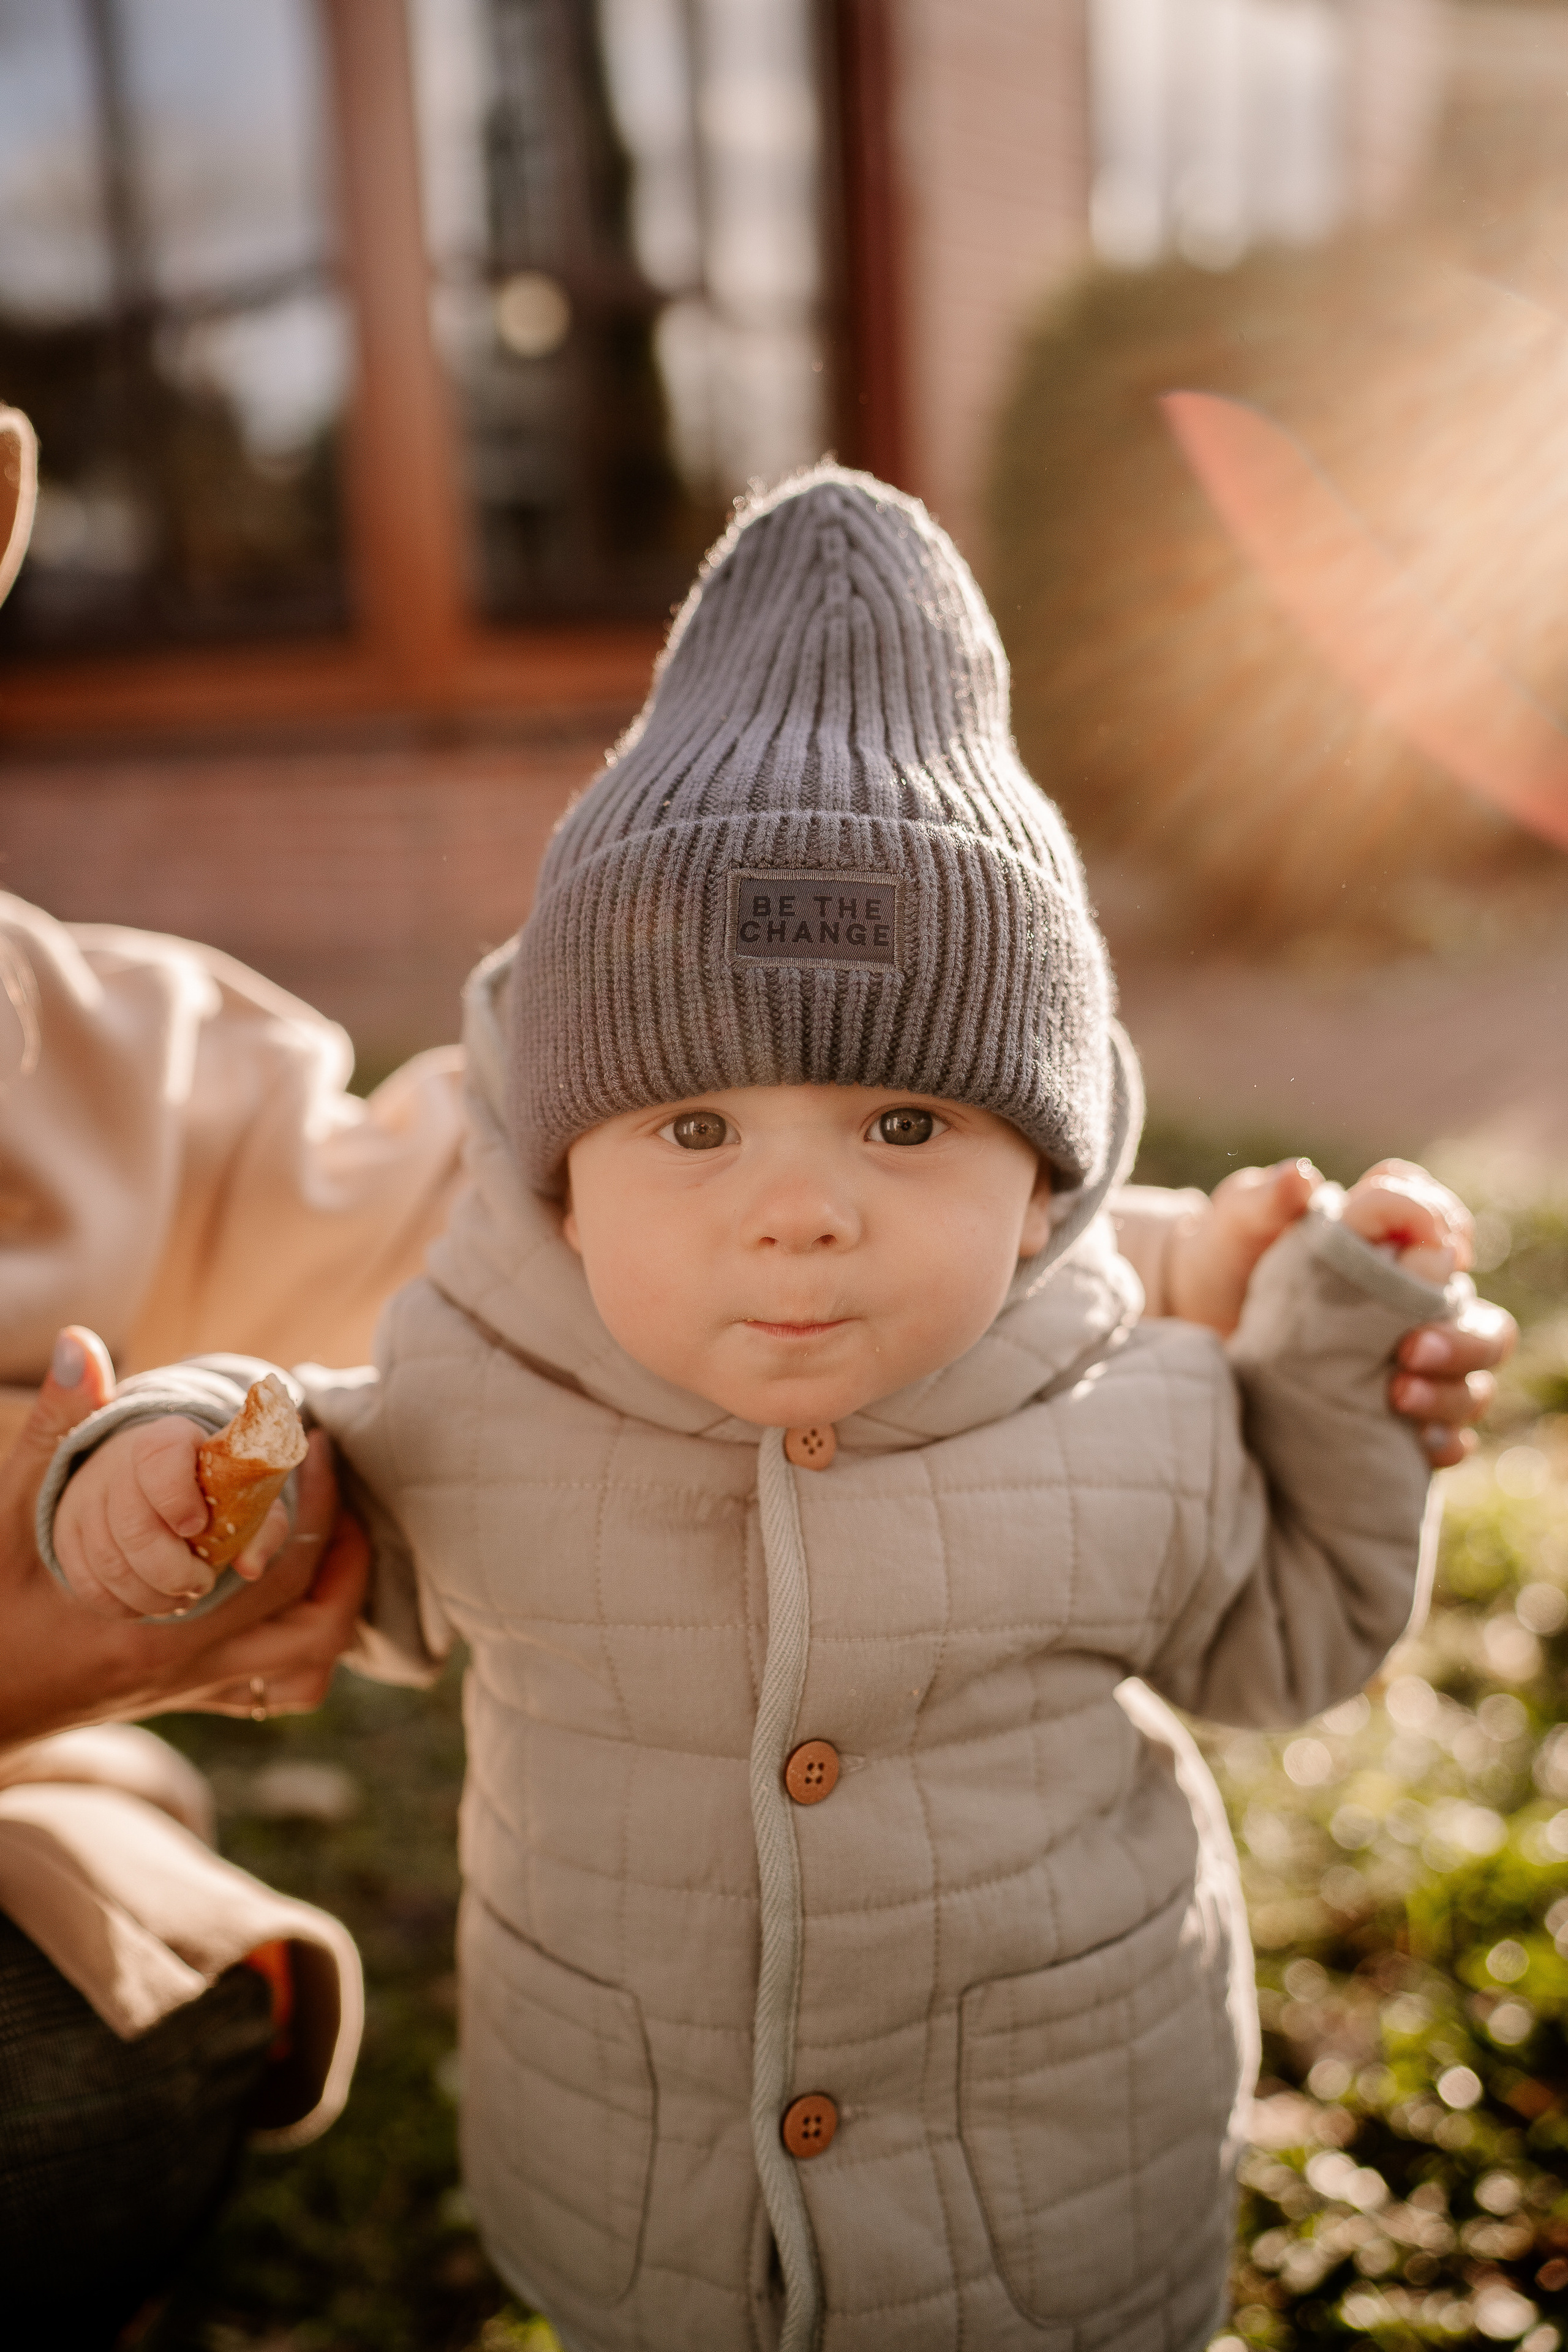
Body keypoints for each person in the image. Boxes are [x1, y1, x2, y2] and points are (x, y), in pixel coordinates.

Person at [44, 468, 1491, 2352]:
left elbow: (1293, 1632)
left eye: (905, 1125)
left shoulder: (1130, 1395)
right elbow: (300, 1480)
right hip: (646, 2202)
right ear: (562, 1177)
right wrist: (155, 1462)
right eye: (695, 1127)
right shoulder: (485, 1389)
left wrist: (1333, 1369)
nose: (796, 1206)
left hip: (1060, 2203)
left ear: (1046, 1181)